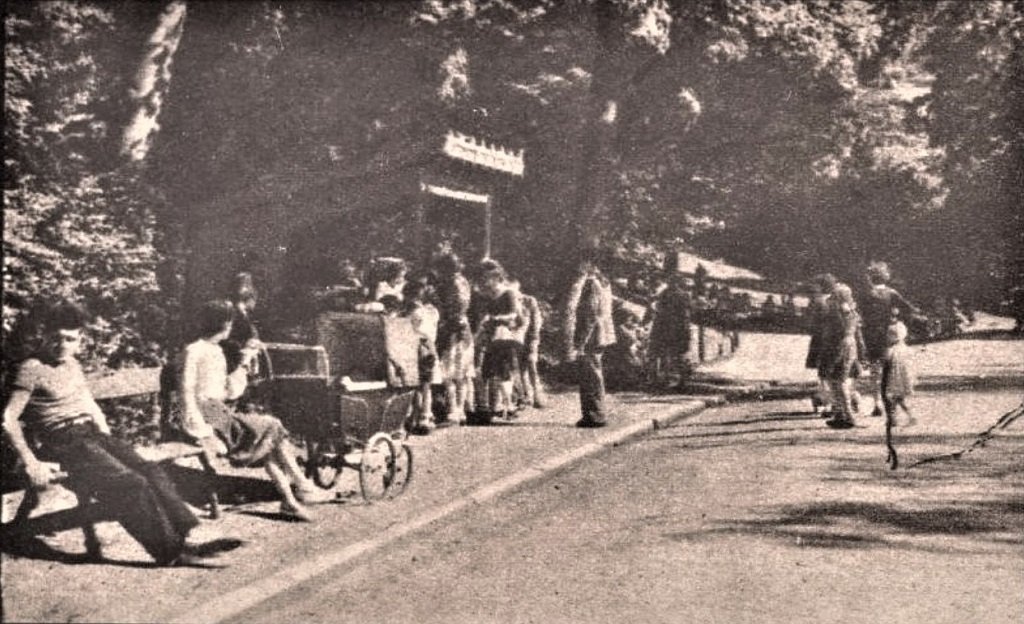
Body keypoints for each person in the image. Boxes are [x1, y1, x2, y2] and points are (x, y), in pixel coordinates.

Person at [1, 301, 213, 566]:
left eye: (70, 339)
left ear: (79, 340)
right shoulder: (31, 368)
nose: (62, 345)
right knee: (129, 483)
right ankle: (170, 552)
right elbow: (8, 418)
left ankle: (186, 536)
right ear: (45, 335)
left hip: (90, 436)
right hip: (63, 441)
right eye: (56, 338)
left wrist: (108, 439)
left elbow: (88, 403)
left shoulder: (72, 364)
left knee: (149, 469)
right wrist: (31, 461)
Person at [178, 300, 328, 521]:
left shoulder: (216, 350)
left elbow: (229, 393)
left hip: (218, 412)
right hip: (205, 416)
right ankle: (301, 488)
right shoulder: (194, 350)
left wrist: (245, 363)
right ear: (224, 324)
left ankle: (292, 499)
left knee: (271, 436)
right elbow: (186, 391)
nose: (230, 328)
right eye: (229, 324)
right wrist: (202, 431)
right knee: (272, 426)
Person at [859, 261, 919, 417]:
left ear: (871, 278)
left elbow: (860, 315)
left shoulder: (865, 294)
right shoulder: (892, 293)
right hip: (889, 336)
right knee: (893, 370)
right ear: (886, 278)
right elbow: (909, 309)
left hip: (871, 337)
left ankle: (877, 402)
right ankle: (894, 404)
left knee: (875, 371)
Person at [564, 258, 616, 428]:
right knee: (592, 374)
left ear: (590, 266)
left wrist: (580, 342)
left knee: (590, 375)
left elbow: (589, 315)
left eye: (583, 263)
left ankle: (595, 415)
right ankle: (593, 413)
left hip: (591, 336)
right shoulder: (603, 282)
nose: (578, 267)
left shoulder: (591, 284)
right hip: (600, 335)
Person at [476, 268, 524, 419]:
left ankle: (509, 405)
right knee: (489, 371)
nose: (486, 282)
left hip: (504, 336)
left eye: (489, 278)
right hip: (492, 336)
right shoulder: (489, 296)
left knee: (504, 370)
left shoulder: (508, 293)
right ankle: (495, 406)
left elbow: (514, 315)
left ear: (498, 278)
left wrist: (495, 319)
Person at [434, 253, 475, 424]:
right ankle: (461, 409)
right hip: (464, 328)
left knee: (449, 372)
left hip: (452, 329)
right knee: (462, 373)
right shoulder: (464, 281)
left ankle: (453, 409)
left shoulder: (448, 283)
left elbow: (450, 307)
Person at [819, 284, 868, 429]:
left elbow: (834, 333)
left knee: (837, 381)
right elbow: (858, 334)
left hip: (838, 347)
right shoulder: (852, 312)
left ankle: (848, 416)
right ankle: (840, 414)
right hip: (849, 346)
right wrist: (861, 352)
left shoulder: (837, 313)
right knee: (839, 380)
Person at [403, 281, 442, 434]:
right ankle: (424, 416)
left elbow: (411, 329)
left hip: (418, 347)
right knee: (425, 385)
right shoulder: (432, 311)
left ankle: (418, 416)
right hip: (429, 347)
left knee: (417, 383)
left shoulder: (414, 312)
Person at [648, 264, 693, 388]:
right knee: (679, 354)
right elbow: (688, 313)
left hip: (665, 327)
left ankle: (668, 379)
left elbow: (659, 309)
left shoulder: (664, 294)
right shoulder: (684, 295)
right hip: (680, 328)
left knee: (666, 354)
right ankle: (682, 380)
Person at [510, 279, 545, 409]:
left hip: (530, 338)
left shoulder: (529, 301)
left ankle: (538, 396)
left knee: (531, 365)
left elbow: (536, 322)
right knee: (518, 368)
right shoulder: (507, 302)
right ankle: (525, 396)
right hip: (515, 339)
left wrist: (533, 338)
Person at [805, 274, 837, 415]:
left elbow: (812, 324)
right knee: (837, 372)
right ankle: (838, 402)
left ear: (821, 286)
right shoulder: (839, 299)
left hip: (821, 341)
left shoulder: (818, 302)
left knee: (823, 374)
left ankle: (828, 403)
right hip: (836, 340)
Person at [882, 317, 916, 427]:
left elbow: (886, 363)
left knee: (892, 399)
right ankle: (898, 418)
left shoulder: (891, 351)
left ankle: (895, 418)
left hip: (893, 379)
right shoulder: (907, 349)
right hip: (904, 378)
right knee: (899, 399)